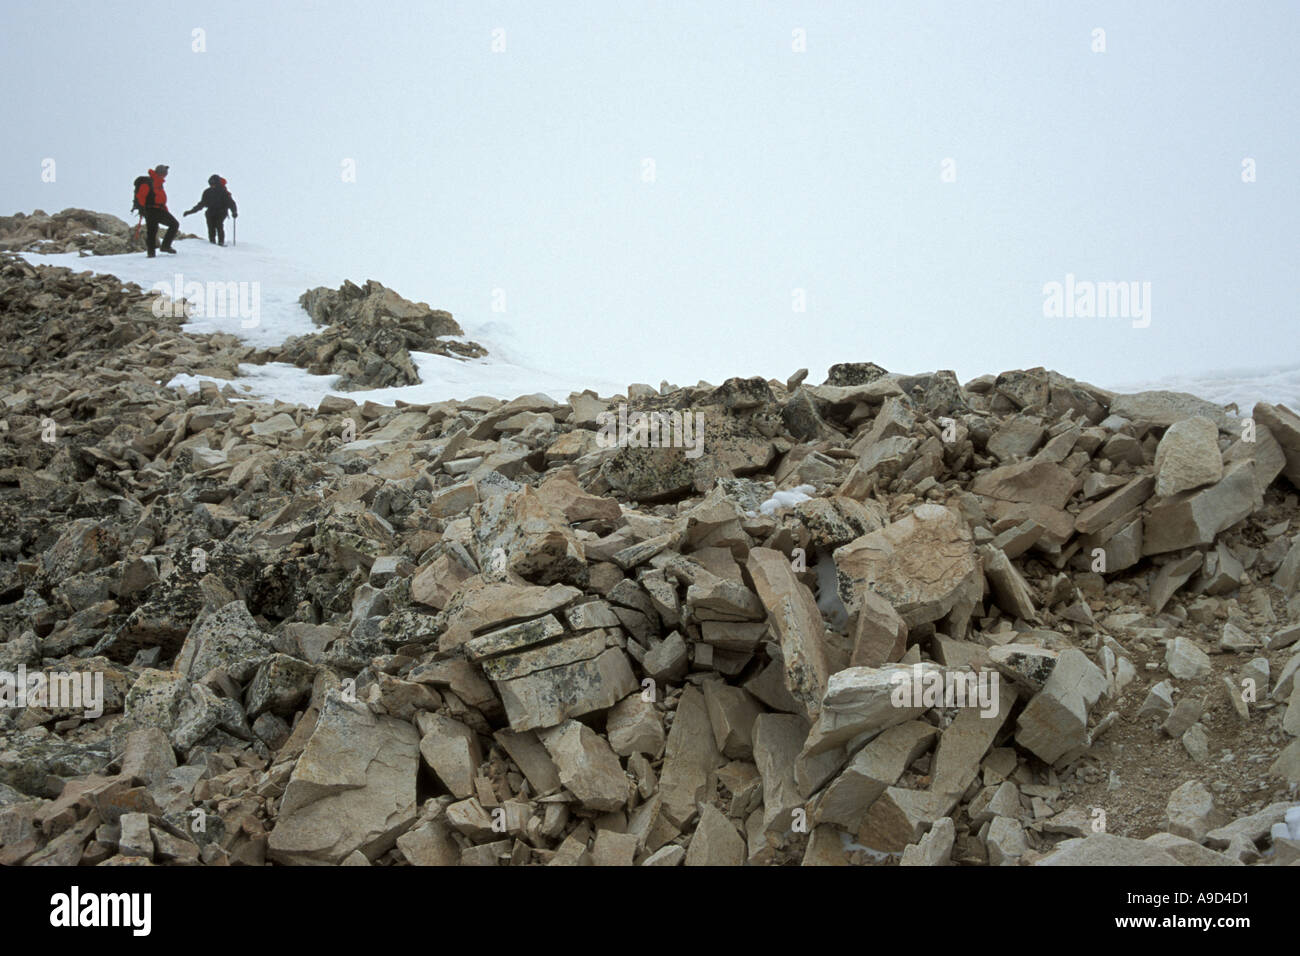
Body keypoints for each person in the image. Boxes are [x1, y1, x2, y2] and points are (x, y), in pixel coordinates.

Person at [136, 164, 178, 257]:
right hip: (151, 210)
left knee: (172, 225)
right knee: (153, 231)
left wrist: (166, 210)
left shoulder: (158, 183)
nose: (165, 175)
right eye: (164, 173)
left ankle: (162, 248)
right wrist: (143, 209)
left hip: (159, 210)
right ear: (160, 173)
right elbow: (141, 196)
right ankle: (154, 252)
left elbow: (161, 200)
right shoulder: (149, 182)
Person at [183, 175, 238, 246]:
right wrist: (190, 211)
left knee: (219, 225)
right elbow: (202, 204)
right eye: (211, 184)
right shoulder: (208, 192)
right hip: (211, 212)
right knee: (211, 227)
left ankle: (220, 242)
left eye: (213, 183)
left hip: (221, 212)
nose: (212, 185)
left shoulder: (222, 192)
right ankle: (212, 242)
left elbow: (231, 203)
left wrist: (234, 212)